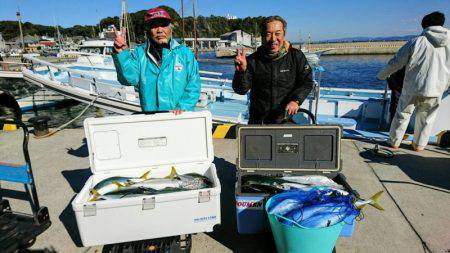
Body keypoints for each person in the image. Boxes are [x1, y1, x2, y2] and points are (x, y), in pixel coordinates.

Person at [377, 11, 450, 151]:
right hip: (437, 88)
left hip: (413, 86)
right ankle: (419, 146)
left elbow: (396, 63)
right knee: (427, 119)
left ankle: (394, 143)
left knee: (402, 115)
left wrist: (381, 75)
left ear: (424, 26)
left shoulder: (416, 42)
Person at [112, 7, 201, 115]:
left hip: (179, 117)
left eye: (163, 25)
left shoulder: (185, 54)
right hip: (151, 119)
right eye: (154, 26)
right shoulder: (139, 54)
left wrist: (183, 107)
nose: (159, 30)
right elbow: (129, 79)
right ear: (148, 30)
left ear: (170, 28)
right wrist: (122, 54)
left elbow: (194, 84)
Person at [232, 16, 313, 124]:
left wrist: (295, 100)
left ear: (284, 34)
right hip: (259, 120)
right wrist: (241, 72)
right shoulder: (252, 60)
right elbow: (241, 90)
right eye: (268, 34)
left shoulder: (296, 56)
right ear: (262, 36)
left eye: (278, 33)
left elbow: (306, 82)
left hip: (286, 119)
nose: (273, 39)